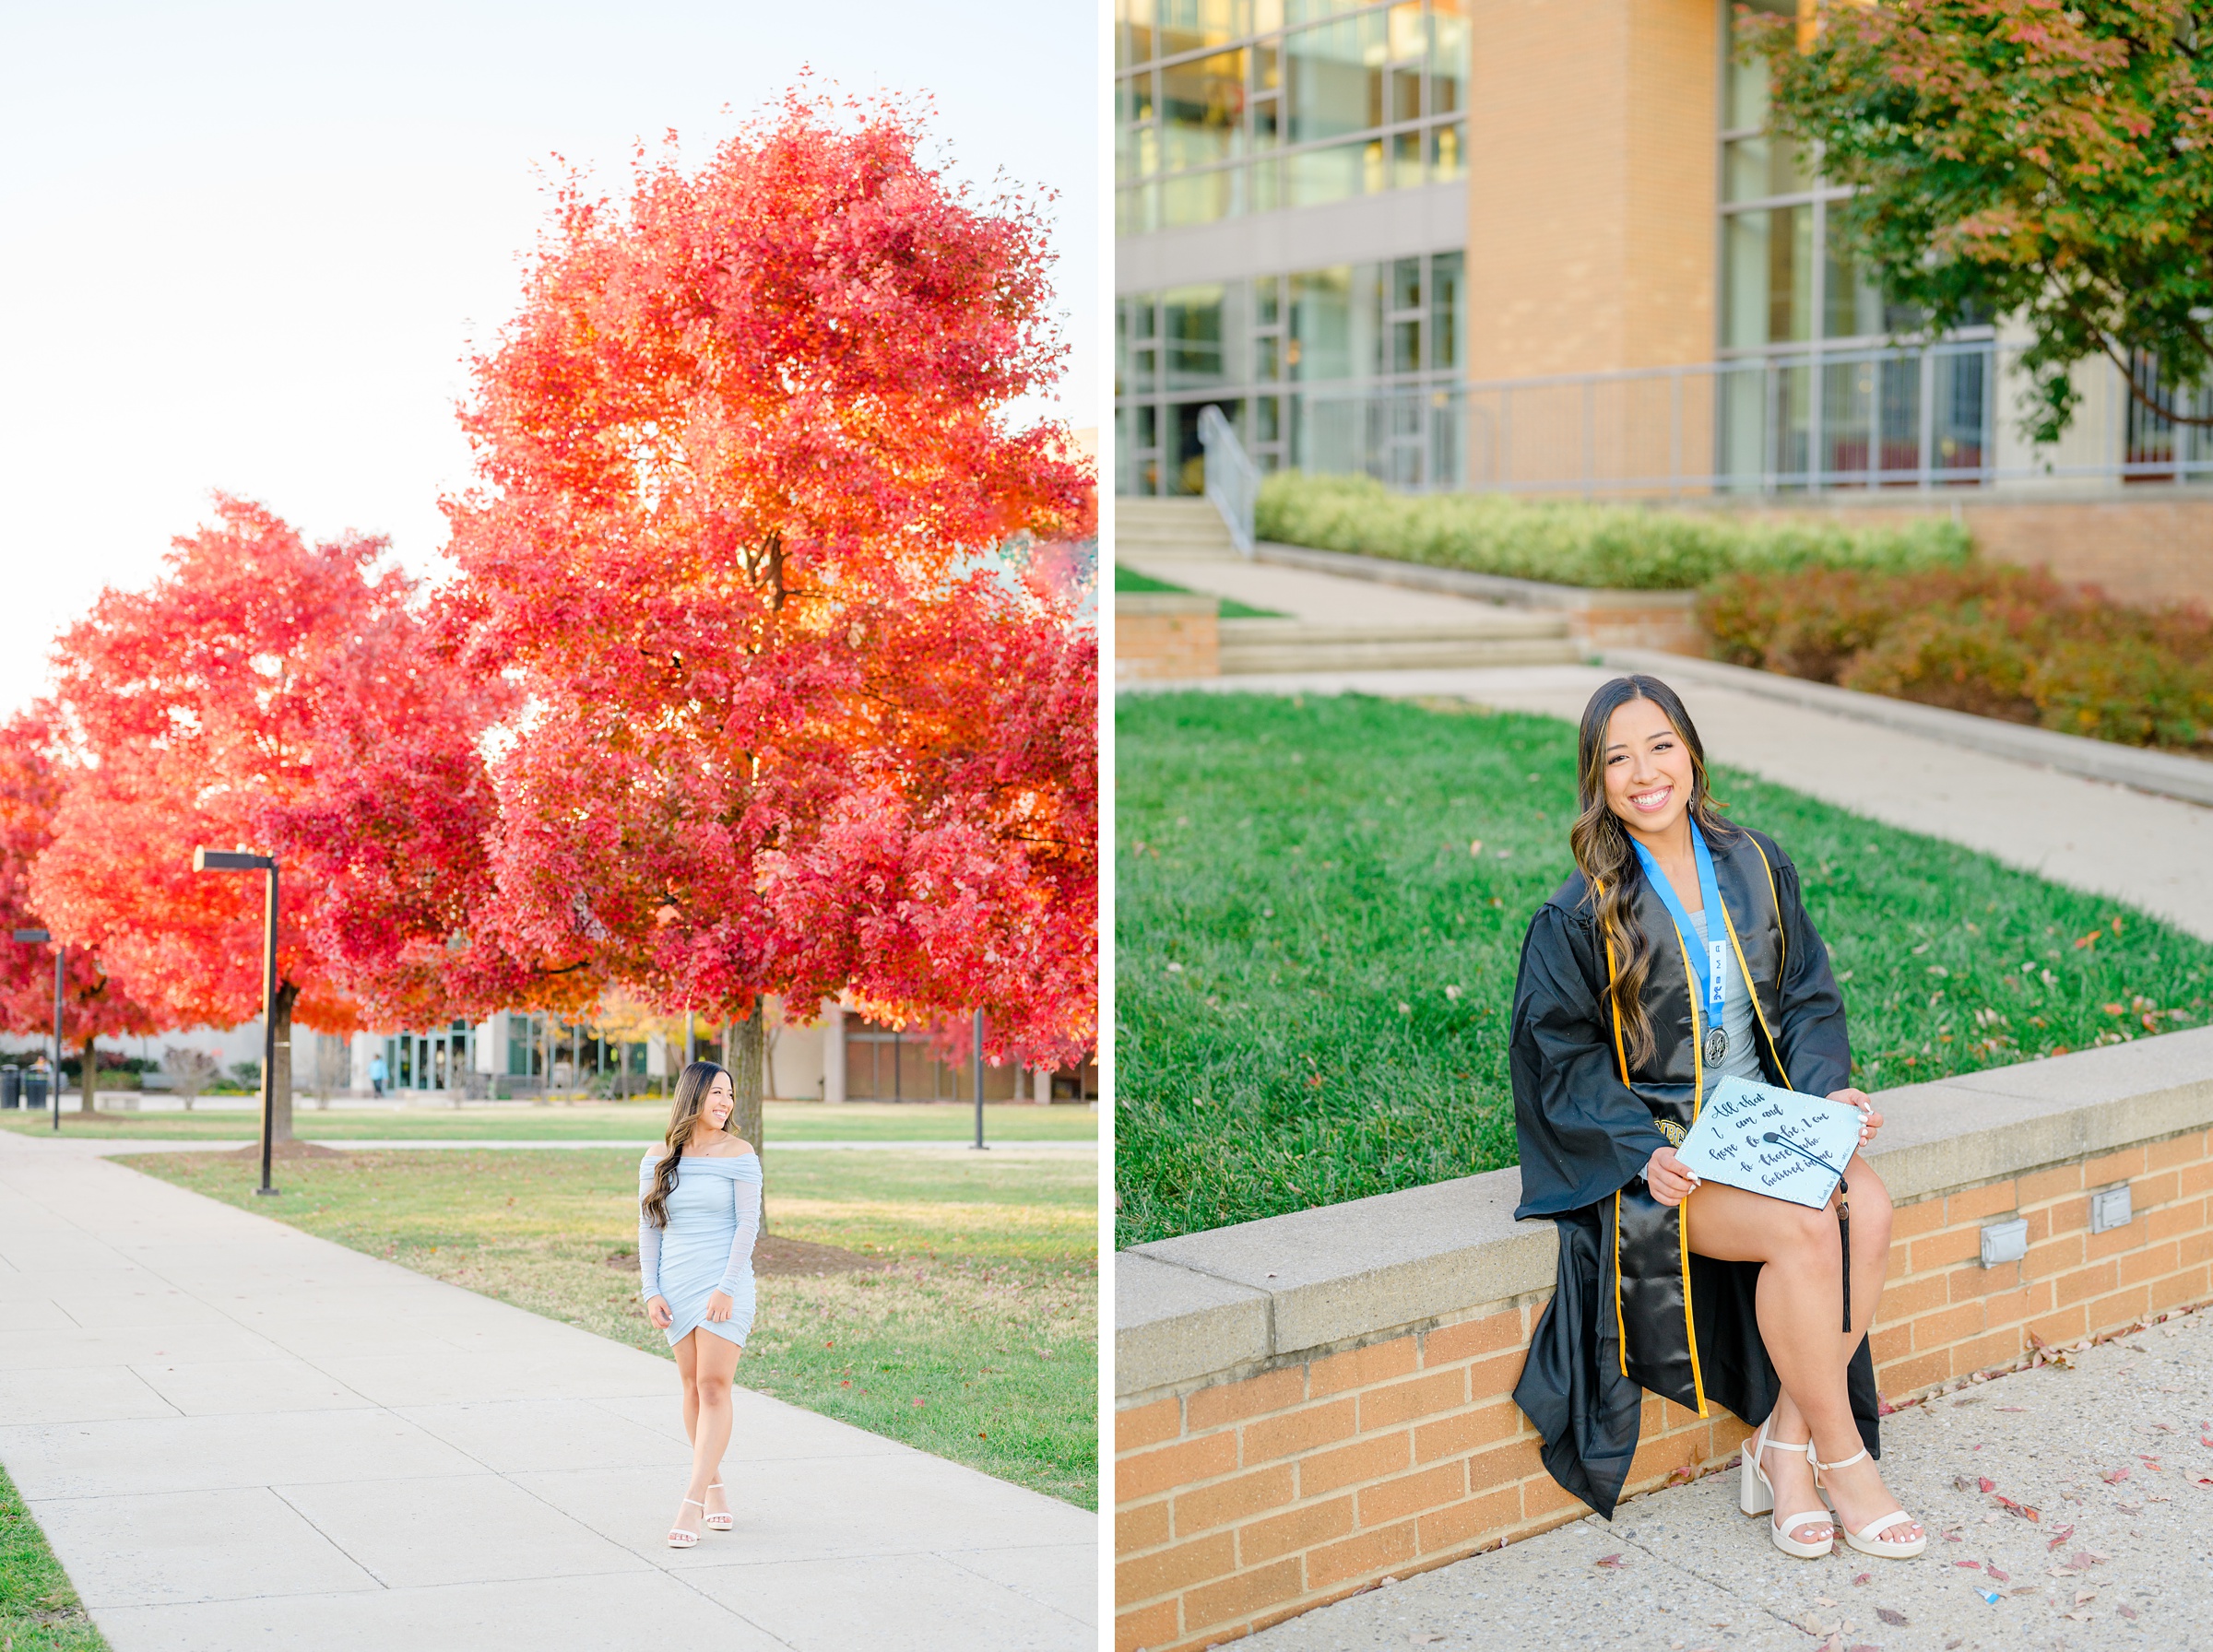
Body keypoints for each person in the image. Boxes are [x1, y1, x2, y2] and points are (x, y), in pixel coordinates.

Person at [1509, 675, 1924, 1562]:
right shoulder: (1580, 910)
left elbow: (1807, 995)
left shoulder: (1754, 863)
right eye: (1618, 757)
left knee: (1872, 1209)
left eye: (1660, 745)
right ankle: (1838, 1460)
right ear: (1597, 777)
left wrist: (1824, 1096)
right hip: (1673, 1148)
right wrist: (1635, 1151)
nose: (1644, 771)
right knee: (1812, 1230)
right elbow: (1562, 1054)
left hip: (1765, 1119)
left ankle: (1781, 1445)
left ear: (1691, 752)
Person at [638, 1059, 763, 1548]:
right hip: (676, 1281)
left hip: (723, 1282)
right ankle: (714, 1487)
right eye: (716, 1092)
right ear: (692, 1095)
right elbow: (648, 1228)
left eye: (729, 1094)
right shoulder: (658, 1156)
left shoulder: (741, 1153)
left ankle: (690, 1503)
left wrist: (727, 1287)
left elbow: (747, 1226)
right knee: (690, 1387)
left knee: (714, 1387)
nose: (725, 1102)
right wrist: (651, 1289)